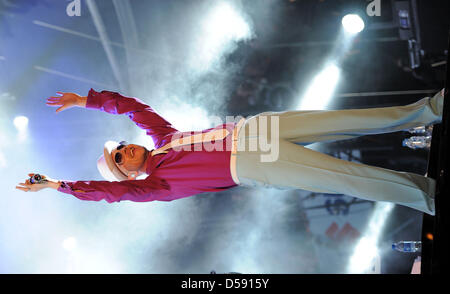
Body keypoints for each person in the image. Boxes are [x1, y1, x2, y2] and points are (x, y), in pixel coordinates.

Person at [16, 88, 445, 215]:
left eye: (122, 147)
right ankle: (427, 195)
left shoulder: (164, 138)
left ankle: (429, 109)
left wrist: (87, 101)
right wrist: (59, 185)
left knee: (350, 119)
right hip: (254, 162)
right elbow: (109, 193)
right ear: (127, 175)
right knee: (347, 179)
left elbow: (133, 108)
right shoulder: (157, 186)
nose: (125, 151)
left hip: (257, 127)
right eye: (119, 159)